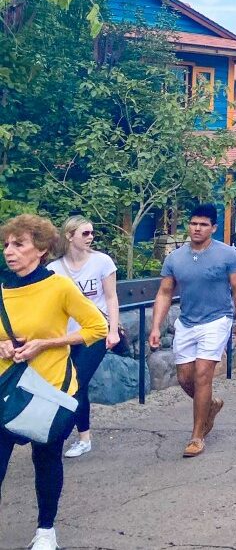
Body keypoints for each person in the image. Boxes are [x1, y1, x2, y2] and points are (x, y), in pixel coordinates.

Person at [1, 215, 108, 550]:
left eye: (19, 244)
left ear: (42, 249)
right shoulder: (1, 287)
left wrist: (46, 343)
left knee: (45, 459)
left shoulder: (58, 286)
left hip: (48, 389)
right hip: (5, 390)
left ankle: (46, 530)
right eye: (7, 244)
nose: (9, 251)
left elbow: (97, 328)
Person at [148, 204, 236, 459]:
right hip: (187, 322)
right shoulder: (175, 258)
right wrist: (156, 327)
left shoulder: (227, 255)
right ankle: (210, 406)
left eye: (203, 224)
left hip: (217, 320)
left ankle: (196, 435)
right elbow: (165, 292)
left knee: (203, 375)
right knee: (185, 378)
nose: (197, 228)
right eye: (193, 223)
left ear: (213, 228)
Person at [48, 216, 120, 459]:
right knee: (77, 385)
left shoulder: (102, 262)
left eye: (92, 233)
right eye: (85, 234)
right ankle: (84, 437)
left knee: (76, 382)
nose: (91, 237)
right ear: (69, 236)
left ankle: (60, 434)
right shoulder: (54, 269)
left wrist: (113, 330)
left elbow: (111, 297)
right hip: (67, 335)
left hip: (95, 333)